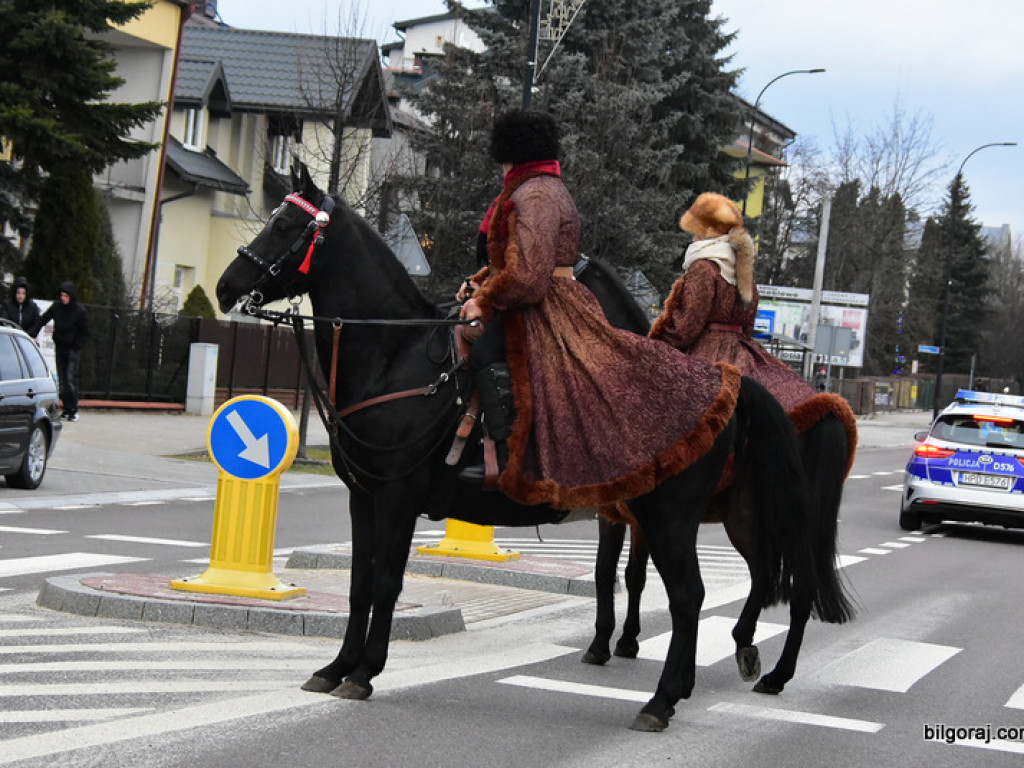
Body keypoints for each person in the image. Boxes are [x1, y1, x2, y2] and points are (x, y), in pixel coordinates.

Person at [454, 109, 741, 509]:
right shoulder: (536, 188)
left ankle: (507, 457)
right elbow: (518, 259)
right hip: (539, 294)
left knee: (487, 353)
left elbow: (531, 275)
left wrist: (484, 299)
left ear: (511, 151)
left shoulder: (535, 195)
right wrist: (482, 282)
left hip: (545, 304)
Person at [649, 192, 857, 454]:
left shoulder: (703, 267)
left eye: (695, 231)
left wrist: (658, 342)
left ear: (707, 232)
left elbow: (688, 326)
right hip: (743, 351)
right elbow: (748, 324)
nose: (692, 238)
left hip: (706, 352)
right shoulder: (741, 269)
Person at [31, 281, 89, 422]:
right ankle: (67, 408)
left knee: (70, 379)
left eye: (66, 296)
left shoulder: (79, 311)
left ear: (71, 296)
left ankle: (73, 409)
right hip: (60, 346)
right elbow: (43, 319)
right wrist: (33, 332)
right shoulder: (57, 307)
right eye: (62, 295)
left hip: (72, 349)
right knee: (62, 381)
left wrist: (77, 345)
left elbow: (85, 332)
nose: (63, 298)